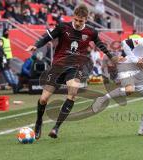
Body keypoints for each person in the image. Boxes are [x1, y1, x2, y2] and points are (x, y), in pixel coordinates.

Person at [26, 4, 121, 139]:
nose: (77, 23)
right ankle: (39, 122)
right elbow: (48, 37)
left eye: (80, 21)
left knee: (73, 93)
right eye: (76, 20)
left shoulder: (91, 32)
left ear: (86, 19)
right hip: (58, 66)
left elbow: (100, 45)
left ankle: (56, 128)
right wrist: (36, 45)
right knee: (43, 99)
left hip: (75, 67)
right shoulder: (63, 27)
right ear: (73, 17)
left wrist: (112, 57)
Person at [91, 27, 143, 136]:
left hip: (141, 73)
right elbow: (125, 43)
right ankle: (103, 99)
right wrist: (135, 59)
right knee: (130, 90)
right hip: (127, 66)